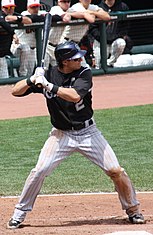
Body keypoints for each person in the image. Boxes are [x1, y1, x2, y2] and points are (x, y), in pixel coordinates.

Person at [7, 41, 145, 229]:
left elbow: (74, 96)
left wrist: (48, 85)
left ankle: (133, 210)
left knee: (115, 171)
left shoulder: (84, 73)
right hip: (60, 135)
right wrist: (32, 80)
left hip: (88, 133)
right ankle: (19, 214)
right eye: (76, 58)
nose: (81, 59)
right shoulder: (49, 74)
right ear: (64, 62)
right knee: (38, 171)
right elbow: (15, 91)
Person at [45, 0, 99, 68]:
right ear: (58, 2)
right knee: (42, 71)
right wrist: (80, 14)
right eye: (64, 2)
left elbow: (90, 18)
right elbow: (66, 19)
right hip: (46, 46)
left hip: (57, 47)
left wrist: (82, 14)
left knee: (63, 70)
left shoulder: (70, 10)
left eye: (68, 2)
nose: (66, 4)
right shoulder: (56, 8)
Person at [89, 0, 133, 68]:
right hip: (100, 41)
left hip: (115, 40)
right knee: (99, 66)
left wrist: (115, 36)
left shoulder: (122, 7)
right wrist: (102, 38)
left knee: (121, 42)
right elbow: (93, 28)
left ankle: (109, 63)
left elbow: (125, 26)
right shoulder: (98, 8)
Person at [11, 0, 47, 77]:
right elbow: (30, 18)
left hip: (33, 50)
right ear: (28, 7)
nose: (35, 9)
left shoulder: (40, 13)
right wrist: (41, 17)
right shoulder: (24, 14)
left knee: (30, 74)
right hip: (19, 48)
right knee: (23, 72)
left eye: (37, 6)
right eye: (33, 7)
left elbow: (50, 16)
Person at [0, 0, 32, 78]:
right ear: (2, 8)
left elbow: (29, 20)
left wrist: (16, 18)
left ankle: (22, 75)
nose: (10, 9)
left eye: (12, 7)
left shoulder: (14, 15)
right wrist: (13, 33)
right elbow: (2, 21)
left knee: (5, 80)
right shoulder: (1, 15)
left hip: (4, 54)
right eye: (7, 8)